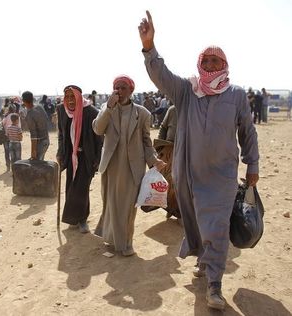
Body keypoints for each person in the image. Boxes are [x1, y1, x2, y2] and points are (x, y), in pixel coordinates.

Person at [139, 11, 259, 310]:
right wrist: (149, 46)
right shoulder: (187, 92)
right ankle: (205, 260)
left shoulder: (237, 95)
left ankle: (215, 285)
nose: (209, 65)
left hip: (221, 177)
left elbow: (248, 132)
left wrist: (252, 164)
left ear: (225, 65)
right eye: (204, 61)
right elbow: (161, 76)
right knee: (195, 222)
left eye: (215, 61)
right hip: (189, 175)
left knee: (216, 225)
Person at [93, 75, 166, 256]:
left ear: (131, 90)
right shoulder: (106, 109)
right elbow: (97, 129)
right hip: (111, 166)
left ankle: (126, 244)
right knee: (111, 204)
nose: (119, 91)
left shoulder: (142, 114)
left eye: (123, 87)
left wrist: (154, 160)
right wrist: (108, 108)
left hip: (133, 168)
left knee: (127, 207)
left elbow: (146, 142)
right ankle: (111, 240)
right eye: (116, 87)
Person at [57, 85, 103, 233]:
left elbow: (99, 139)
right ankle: (73, 218)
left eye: (73, 97)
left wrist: (97, 159)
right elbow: (61, 134)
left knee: (81, 188)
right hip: (70, 157)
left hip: (87, 157)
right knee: (70, 186)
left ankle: (82, 219)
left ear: (79, 97)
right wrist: (60, 152)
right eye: (67, 97)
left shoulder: (91, 112)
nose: (70, 100)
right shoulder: (62, 111)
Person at [22, 91, 50, 160]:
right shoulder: (39, 107)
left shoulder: (30, 115)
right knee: (41, 163)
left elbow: (34, 136)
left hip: (40, 143)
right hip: (46, 140)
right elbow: (46, 119)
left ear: (23, 101)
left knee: (37, 167)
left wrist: (33, 153)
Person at [1, 104, 19, 171]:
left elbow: (2, 125)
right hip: (14, 137)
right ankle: (14, 167)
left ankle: (8, 167)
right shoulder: (16, 116)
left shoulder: (6, 116)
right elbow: (19, 127)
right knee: (14, 153)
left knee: (7, 152)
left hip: (6, 137)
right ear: (14, 109)